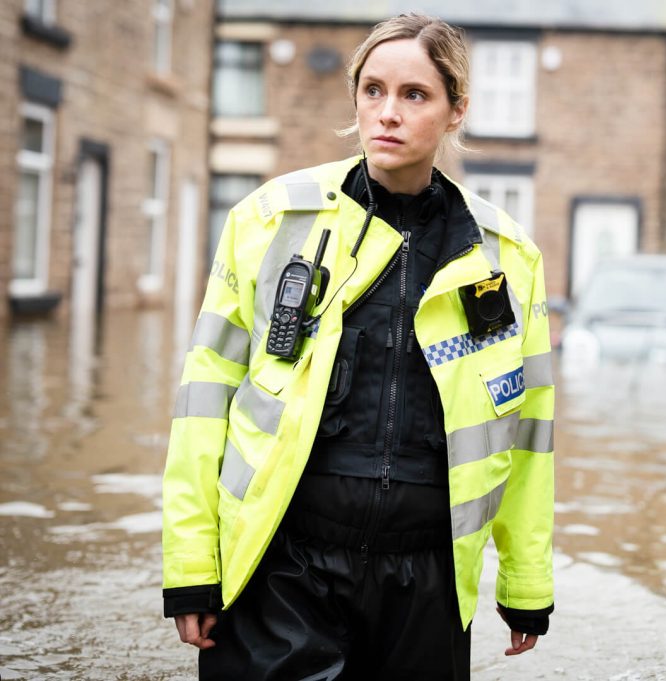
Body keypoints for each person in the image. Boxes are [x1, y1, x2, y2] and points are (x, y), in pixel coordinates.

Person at [161, 13, 555, 680]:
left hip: (425, 579)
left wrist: (525, 583)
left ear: (457, 110)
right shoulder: (268, 221)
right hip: (285, 564)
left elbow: (527, 431)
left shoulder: (507, 258)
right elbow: (205, 401)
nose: (387, 113)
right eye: (372, 90)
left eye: (415, 95)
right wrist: (192, 568)